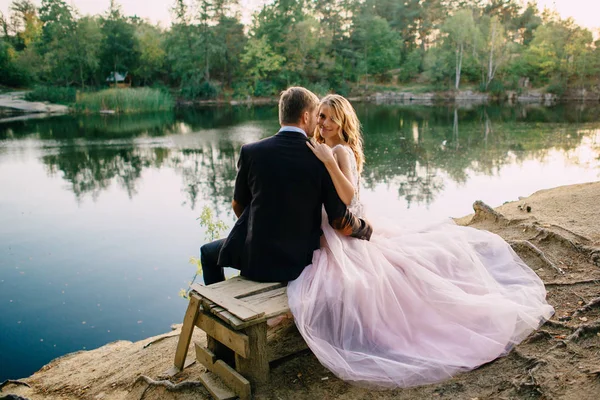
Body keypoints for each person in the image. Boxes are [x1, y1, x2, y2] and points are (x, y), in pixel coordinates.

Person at [288, 94, 555, 388]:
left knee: (361, 277)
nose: (324, 123)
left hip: (347, 227)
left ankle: (395, 333)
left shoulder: (338, 151)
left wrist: (328, 162)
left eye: (330, 118)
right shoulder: (321, 145)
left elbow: (349, 197)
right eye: (321, 116)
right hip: (333, 224)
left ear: (343, 122)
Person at [200, 87, 372, 286]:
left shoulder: (251, 152)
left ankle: (218, 307)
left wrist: (260, 229)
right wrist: (364, 229)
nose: (320, 122)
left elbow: (238, 204)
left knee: (208, 252)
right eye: (319, 115)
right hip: (299, 260)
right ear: (306, 116)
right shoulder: (319, 157)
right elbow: (339, 219)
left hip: (256, 255)